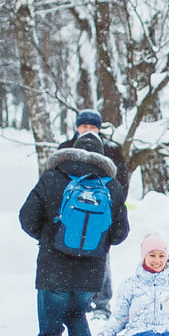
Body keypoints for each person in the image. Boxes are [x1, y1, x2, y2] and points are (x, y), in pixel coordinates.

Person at [18, 139, 130, 336]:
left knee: (50, 330)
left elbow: (27, 218)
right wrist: (96, 245)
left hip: (52, 268)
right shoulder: (112, 187)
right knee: (77, 312)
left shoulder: (52, 177)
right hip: (90, 272)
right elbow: (120, 233)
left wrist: (48, 238)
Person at [58, 110, 129, 313]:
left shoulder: (112, 150)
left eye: (92, 127)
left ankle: (101, 302)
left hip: (100, 212)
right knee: (69, 256)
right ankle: (74, 301)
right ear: (77, 127)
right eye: (84, 127)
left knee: (101, 258)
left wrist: (114, 205)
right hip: (71, 212)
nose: (87, 131)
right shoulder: (65, 149)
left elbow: (121, 181)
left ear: (99, 129)